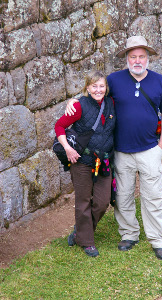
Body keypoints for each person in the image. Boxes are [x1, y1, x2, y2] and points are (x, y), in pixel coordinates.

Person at [65, 36, 162, 260]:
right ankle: (129, 234)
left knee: (153, 196)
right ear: (126, 58)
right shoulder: (114, 80)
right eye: (133, 56)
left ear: (148, 58)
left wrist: (161, 146)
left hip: (149, 150)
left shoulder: (159, 81)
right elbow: (93, 91)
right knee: (123, 197)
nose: (137, 60)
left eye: (141, 56)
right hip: (121, 152)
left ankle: (157, 239)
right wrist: (73, 101)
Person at [55, 70, 115, 257]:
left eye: (101, 86)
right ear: (87, 87)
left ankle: (79, 232)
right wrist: (67, 148)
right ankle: (87, 241)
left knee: (102, 202)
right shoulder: (79, 106)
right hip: (81, 161)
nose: (98, 90)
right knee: (83, 202)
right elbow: (59, 126)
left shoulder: (111, 103)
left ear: (106, 88)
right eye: (94, 86)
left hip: (103, 162)